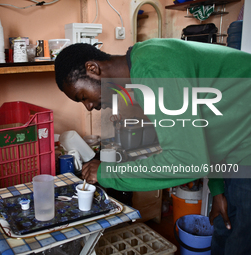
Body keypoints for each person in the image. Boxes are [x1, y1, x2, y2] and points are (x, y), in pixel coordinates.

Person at [54, 38, 251, 254]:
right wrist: (218, 189)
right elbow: (209, 129)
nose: (89, 107)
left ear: (92, 68)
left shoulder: (154, 69)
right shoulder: (142, 66)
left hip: (245, 147)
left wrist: (107, 173)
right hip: (236, 147)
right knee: (224, 229)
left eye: (83, 96)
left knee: (241, 241)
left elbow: (187, 161)